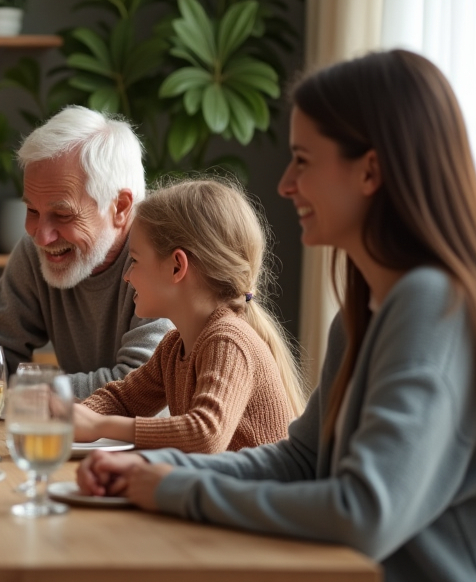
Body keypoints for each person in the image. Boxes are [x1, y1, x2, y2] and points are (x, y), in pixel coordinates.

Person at [50, 50, 476, 582]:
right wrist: (156, 471)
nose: (285, 183)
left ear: (370, 172)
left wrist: (168, 489)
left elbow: (363, 511)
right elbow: (300, 460)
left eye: (303, 160)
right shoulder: (361, 316)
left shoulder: (433, 306)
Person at [0, 105, 172, 399]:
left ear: (120, 207)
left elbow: (142, 388)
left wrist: (18, 393)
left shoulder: (164, 258)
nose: (41, 236)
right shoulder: (38, 252)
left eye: (63, 214)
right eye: (31, 209)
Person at [73, 179, 304, 452]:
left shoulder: (229, 341)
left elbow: (205, 433)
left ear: (176, 267)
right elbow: (122, 400)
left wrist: (100, 427)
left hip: (261, 495)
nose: (126, 277)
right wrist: (72, 419)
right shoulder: (173, 348)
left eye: (134, 261)